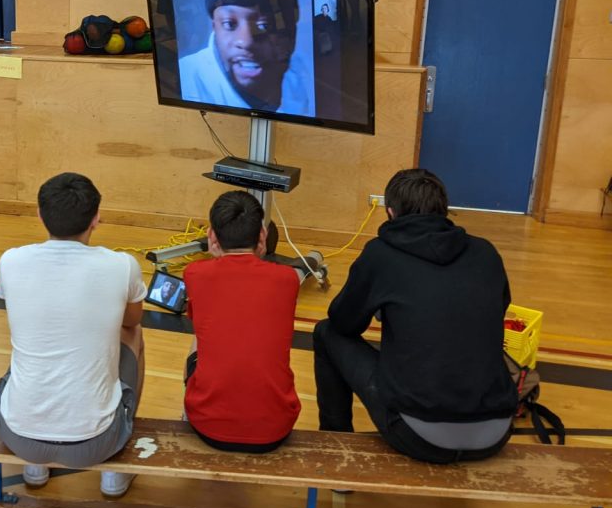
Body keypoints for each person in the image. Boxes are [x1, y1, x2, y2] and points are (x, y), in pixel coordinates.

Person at [313, 169, 519, 464]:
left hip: (418, 437)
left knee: (325, 333)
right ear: (445, 211)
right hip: (496, 432)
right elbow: (491, 312)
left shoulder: (380, 253)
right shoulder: (486, 252)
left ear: (390, 213)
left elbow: (344, 323)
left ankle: (335, 454)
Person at [0, 172, 146, 498]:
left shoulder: (10, 260)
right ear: (96, 219)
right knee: (134, 333)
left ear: (40, 215)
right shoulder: (123, 265)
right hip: (96, 444)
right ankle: (113, 474)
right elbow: (133, 319)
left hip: (19, 438)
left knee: (22, 355)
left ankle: (35, 468)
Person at [183, 191, 300, 452]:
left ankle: (187, 410)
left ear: (212, 236)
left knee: (199, 338)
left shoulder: (194, 273)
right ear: (262, 236)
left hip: (208, 426)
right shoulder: (288, 278)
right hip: (276, 428)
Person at [178, 0, 312, 115]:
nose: (246, 41)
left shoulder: (303, 72)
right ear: (215, 27)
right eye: (229, 24)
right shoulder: (185, 77)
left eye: (264, 26)